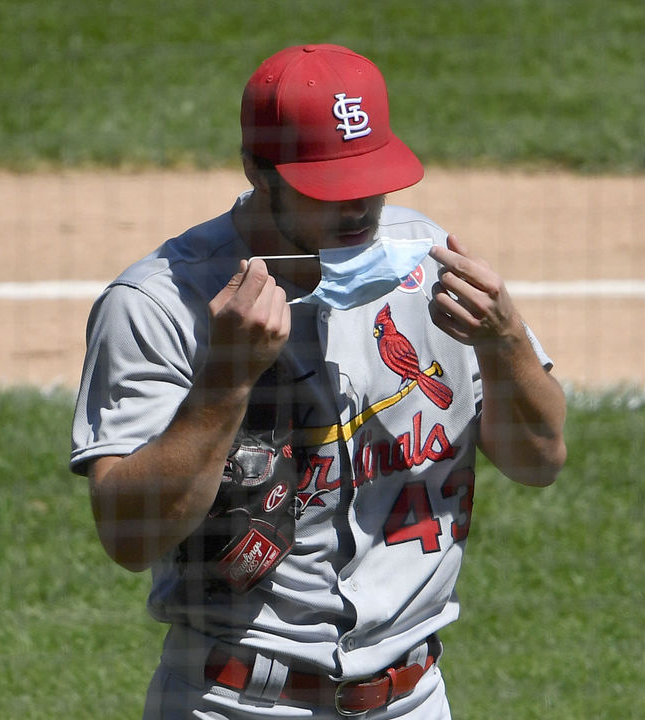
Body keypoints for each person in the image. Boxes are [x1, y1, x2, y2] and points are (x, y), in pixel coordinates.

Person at [70, 43, 567, 719]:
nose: (359, 207)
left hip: (413, 697)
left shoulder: (431, 264)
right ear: (257, 169)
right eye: (328, 187)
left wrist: (505, 340)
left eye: (372, 179)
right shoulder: (161, 305)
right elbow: (129, 539)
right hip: (236, 702)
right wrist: (224, 381)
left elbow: (540, 461)